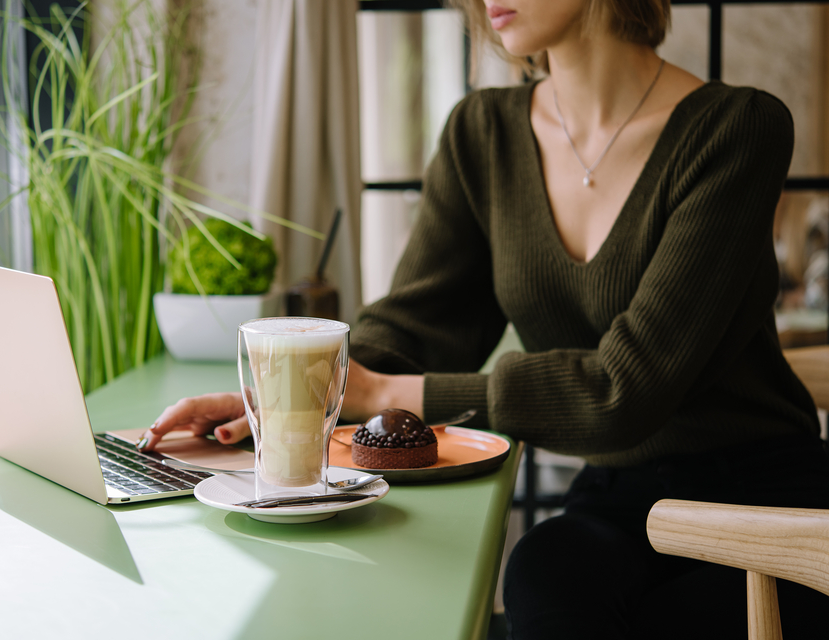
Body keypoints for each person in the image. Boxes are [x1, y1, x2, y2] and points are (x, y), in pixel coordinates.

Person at [140, 0, 829, 637]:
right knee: (540, 580)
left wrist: (380, 394)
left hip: (767, 503)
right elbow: (414, 326)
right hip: (625, 498)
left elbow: (625, 389)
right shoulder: (483, 134)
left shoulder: (738, 128)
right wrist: (282, 403)